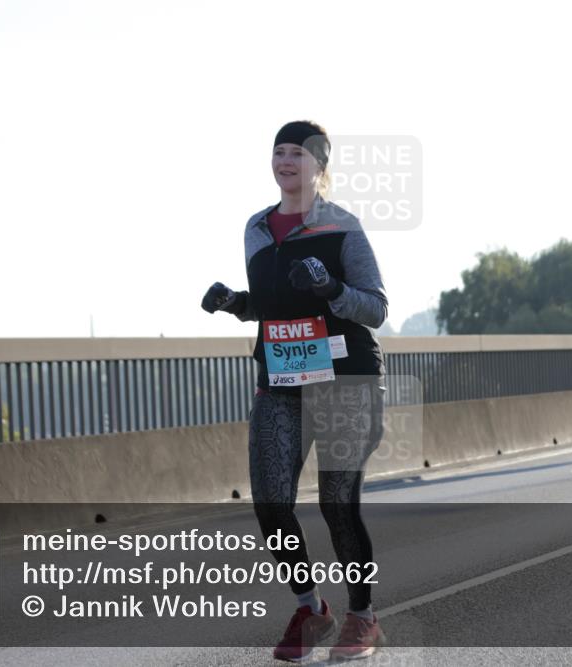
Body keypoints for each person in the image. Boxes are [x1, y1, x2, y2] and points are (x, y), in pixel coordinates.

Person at [201, 120, 388, 662]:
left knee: (337, 504)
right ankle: (312, 608)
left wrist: (331, 288)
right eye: (278, 152)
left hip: (345, 380)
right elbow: (272, 304)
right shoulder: (257, 228)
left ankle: (362, 618)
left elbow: (374, 306)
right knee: (270, 502)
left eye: (297, 154)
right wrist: (235, 302)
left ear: (320, 166)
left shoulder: (342, 227)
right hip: (281, 379)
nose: (285, 161)